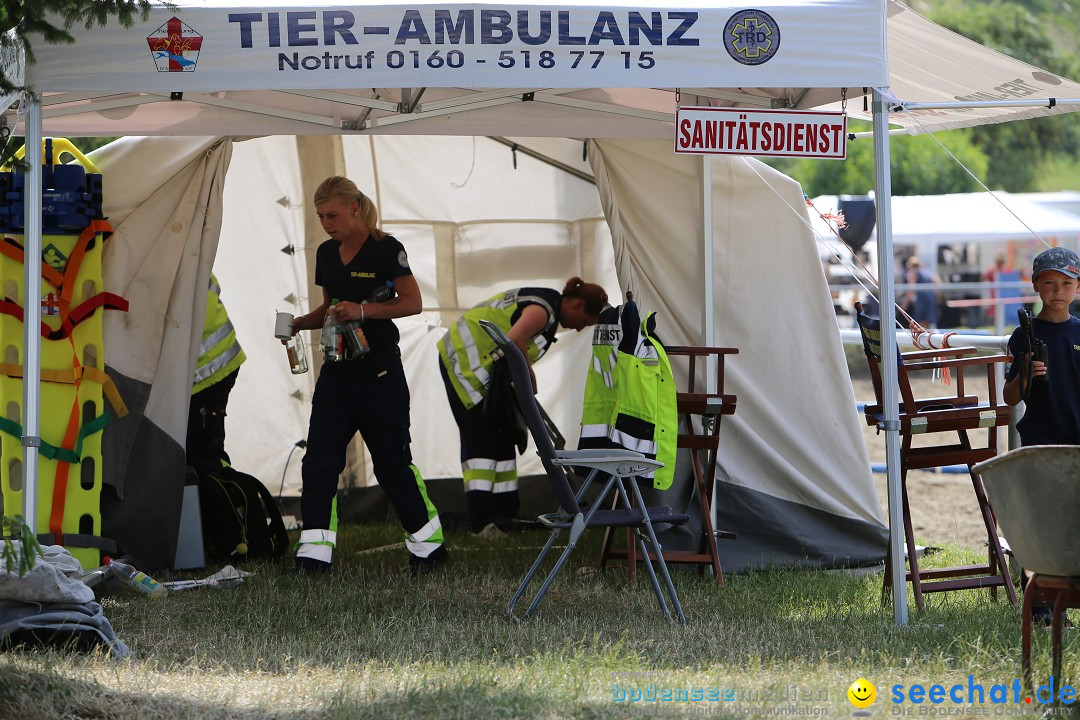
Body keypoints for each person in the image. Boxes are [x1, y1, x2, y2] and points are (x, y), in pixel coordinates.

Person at [286, 176, 445, 574]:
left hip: (379, 373)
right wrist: (298, 324)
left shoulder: (386, 249)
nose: (326, 223)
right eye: (321, 216)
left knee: (392, 464)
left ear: (355, 208)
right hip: (336, 372)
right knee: (319, 461)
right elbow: (329, 308)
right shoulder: (325, 253)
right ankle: (313, 558)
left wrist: (363, 311)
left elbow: (413, 302)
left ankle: (430, 551)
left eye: (333, 215)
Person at [438, 278, 608, 534]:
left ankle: (504, 514)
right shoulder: (542, 309)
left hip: (484, 368)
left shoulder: (547, 307)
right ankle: (480, 520)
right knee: (480, 439)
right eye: (584, 321)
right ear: (578, 305)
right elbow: (514, 338)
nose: (578, 329)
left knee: (504, 435)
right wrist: (529, 374)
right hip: (465, 363)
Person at [1003, 246, 1080, 627]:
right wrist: (1027, 374)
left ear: (1077, 287)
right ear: (1036, 286)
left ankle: (1067, 599)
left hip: (1076, 442)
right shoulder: (1023, 336)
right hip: (1039, 441)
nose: (1058, 291)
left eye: (1066, 283)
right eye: (1049, 283)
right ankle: (1040, 604)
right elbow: (1010, 396)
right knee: (1039, 525)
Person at [187, 273, 245, 477]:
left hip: (206, 369)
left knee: (202, 457)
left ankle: (227, 503)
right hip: (212, 363)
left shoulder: (157, 248)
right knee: (202, 454)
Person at [902, 256, 940, 329]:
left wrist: (904, 304)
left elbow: (911, 288)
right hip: (931, 299)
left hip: (922, 300)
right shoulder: (926, 272)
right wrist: (935, 295)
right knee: (928, 324)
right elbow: (938, 282)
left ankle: (922, 340)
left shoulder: (912, 273)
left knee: (921, 325)